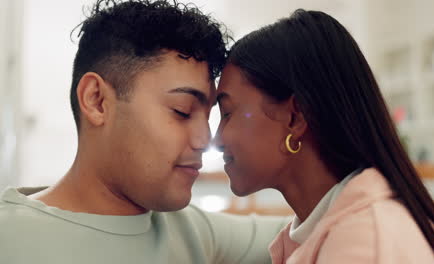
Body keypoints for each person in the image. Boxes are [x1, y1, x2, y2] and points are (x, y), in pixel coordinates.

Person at [0, 1, 288, 263]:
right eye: (182, 111)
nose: (205, 140)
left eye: (210, 115)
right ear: (97, 100)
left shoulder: (191, 231)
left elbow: (315, 226)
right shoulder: (10, 237)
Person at [214, 9, 434, 264]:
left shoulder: (364, 243)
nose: (216, 139)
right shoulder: (322, 229)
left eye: (226, 113)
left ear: (295, 117)